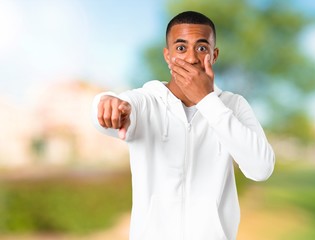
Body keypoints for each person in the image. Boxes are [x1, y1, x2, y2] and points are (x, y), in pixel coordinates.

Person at [92, 10, 275, 240]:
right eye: (181, 48)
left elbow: (261, 169)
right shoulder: (147, 101)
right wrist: (106, 102)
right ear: (167, 56)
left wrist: (207, 101)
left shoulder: (234, 105)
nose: (191, 58)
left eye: (201, 48)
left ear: (214, 54)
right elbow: (108, 112)